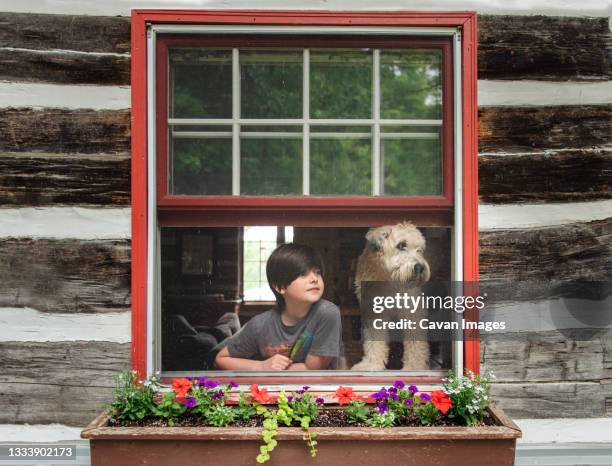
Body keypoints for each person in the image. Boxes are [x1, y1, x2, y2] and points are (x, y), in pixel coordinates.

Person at [215, 243, 343, 370]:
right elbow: (221, 359)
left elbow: (312, 369)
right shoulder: (260, 325)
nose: (314, 278)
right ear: (280, 287)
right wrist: (262, 366)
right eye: (303, 274)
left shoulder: (327, 313)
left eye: (317, 272)